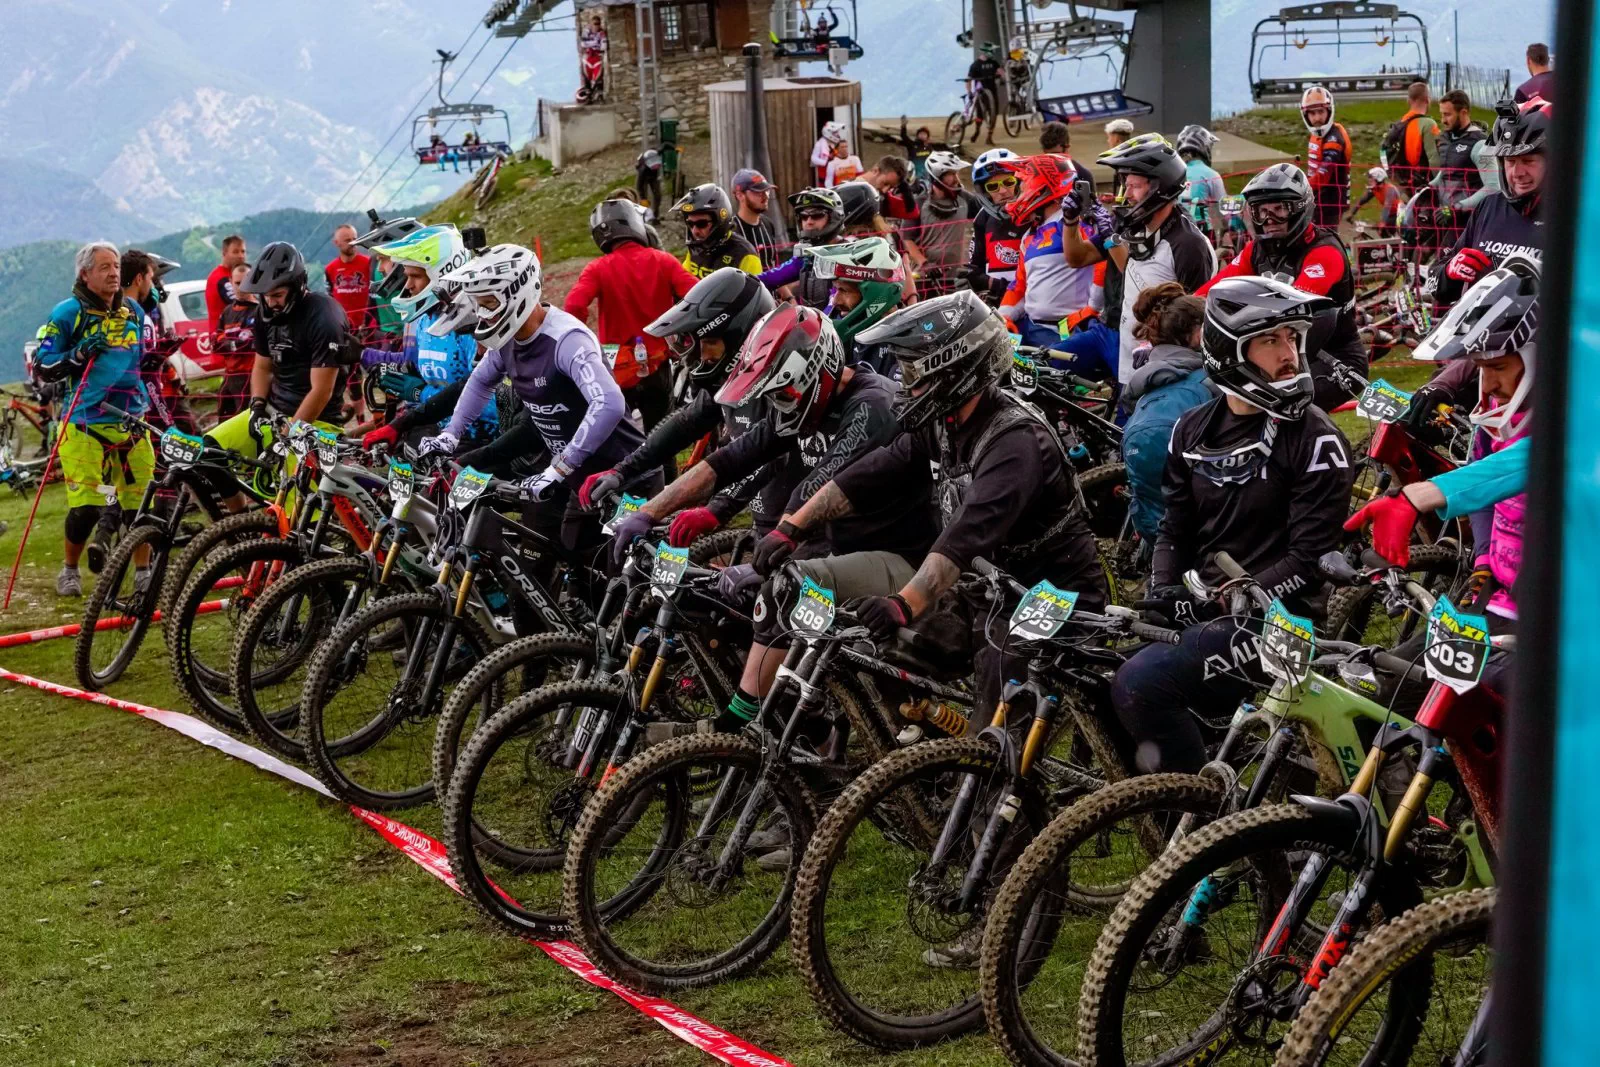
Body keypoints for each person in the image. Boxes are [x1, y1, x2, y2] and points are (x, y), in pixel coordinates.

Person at [1111, 277, 1353, 775]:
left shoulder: (1317, 437)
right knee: (1100, 672)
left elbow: (1310, 560)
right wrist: (1162, 592)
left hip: (1284, 621)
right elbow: (1173, 529)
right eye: (1271, 340)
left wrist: (1215, 599)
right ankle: (1176, 794)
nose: (1289, 353)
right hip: (1214, 609)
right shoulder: (1191, 428)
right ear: (1229, 350)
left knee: (1141, 683)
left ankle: (1201, 822)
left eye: (1293, 338)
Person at [1347, 257, 1536, 697]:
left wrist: (1421, 496)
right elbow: (1486, 494)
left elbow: (1537, 461)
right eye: (1480, 369)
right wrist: (1485, 565)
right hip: (1502, 601)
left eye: (1499, 367)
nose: (1486, 386)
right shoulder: (1496, 422)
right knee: (1397, 679)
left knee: (1475, 699)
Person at [423, 245, 655, 561]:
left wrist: (561, 465)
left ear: (518, 294)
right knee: (573, 559)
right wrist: (451, 434)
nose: (482, 315)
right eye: (479, 305)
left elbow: (610, 403)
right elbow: (479, 382)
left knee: (618, 581)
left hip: (627, 476)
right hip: (581, 479)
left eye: (489, 303)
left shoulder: (566, 340)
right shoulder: (507, 340)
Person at [577, 267, 777, 539]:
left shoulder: (779, 388)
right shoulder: (732, 381)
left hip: (809, 536)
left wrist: (715, 510)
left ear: (744, 337)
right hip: (768, 524)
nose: (701, 356)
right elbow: (686, 423)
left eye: (710, 342)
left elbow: (771, 457)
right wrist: (622, 470)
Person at [34, 242, 153, 597]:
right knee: (86, 507)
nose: (114, 272)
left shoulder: (134, 311)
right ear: (85, 274)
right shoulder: (68, 313)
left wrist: (156, 361)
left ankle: (143, 573)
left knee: (140, 502)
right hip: (83, 420)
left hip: (131, 418)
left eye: (116, 265)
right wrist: (79, 352)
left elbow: (137, 358)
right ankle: (69, 571)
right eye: (104, 267)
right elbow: (44, 366)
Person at [1199, 162, 1366, 411]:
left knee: (1274, 408)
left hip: (1335, 360)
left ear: (1300, 208)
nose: (1269, 219)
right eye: (1261, 211)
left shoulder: (1324, 251)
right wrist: (1180, 313)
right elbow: (1214, 289)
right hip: (1282, 354)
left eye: (1279, 209)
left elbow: (1294, 308)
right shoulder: (1256, 250)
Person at [203, 242, 354, 509]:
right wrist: (257, 404)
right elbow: (262, 366)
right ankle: (240, 526)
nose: (270, 302)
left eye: (278, 295)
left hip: (317, 422)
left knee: (298, 513)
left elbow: (321, 391)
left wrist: (289, 437)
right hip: (275, 410)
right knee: (209, 452)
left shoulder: (324, 315)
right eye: (265, 296)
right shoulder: (266, 310)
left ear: (297, 287)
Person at [563, 199, 697, 486]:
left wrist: (579, 348)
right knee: (662, 441)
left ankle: (620, 499)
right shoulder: (663, 261)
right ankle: (664, 501)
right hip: (657, 365)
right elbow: (697, 296)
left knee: (614, 442)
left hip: (614, 371)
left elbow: (574, 306)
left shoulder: (597, 268)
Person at [1088, 135, 1216, 390]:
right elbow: (1138, 280)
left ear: (1160, 188)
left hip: (1162, 376)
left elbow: (1197, 321)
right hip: (1129, 363)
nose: (1127, 196)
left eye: (1134, 186)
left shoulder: (1188, 244)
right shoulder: (1139, 229)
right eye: (1126, 186)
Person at [356, 224, 497, 455]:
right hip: (439, 437)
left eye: (415, 276)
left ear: (442, 273)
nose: (408, 286)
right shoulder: (424, 320)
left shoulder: (470, 323)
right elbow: (427, 381)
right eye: (406, 276)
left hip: (480, 442)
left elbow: (492, 402)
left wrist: (420, 393)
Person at [1431, 96, 1548, 307]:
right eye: (1510, 161)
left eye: (1528, 161)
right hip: (1474, 333)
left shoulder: (1578, 220)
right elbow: (1435, 283)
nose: (1518, 172)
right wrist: (1450, 272)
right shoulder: (1490, 206)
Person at [1119, 283, 1213, 543]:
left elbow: (1127, 404)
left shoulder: (1143, 375)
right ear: (1198, 335)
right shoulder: (1207, 378)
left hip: (1139, 448)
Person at [997, 154, 1115, 360]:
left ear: (1041, 186)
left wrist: (1093, 309)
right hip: (1031, 328)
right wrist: (1003, 317)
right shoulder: (1029, 236)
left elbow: (1102, 262)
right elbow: (1019, 286)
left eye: (1023, 185)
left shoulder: (1074, 221)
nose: (1020, 192)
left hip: (1067, 332)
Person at [797, 236, 909, 370]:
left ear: (876, 293)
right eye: (836, 289)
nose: (836, 300)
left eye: (844, 290)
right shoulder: (853, 329)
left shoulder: (905, 346)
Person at [906, 150, 980, 298]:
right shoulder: (919, 203)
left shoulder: (965, 199)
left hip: (955, 278)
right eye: (951, 174)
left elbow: (986, 214)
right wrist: (924, 263)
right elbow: (906, 240)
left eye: (956, 173)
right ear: (937, 177)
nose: (956, 179)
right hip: (925, 279)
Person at [966, 147, 1026, 304]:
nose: (1003, 191)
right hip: (1000, 302)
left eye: (1008, 182)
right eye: (993, 187)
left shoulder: (1037, 215)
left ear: (1019, 182)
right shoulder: (982, 219)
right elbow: (973, 273)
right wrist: (1001, 286)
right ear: (984, 192)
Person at [672, 183, 762, 278]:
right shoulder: (696, 249)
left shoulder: (745, 256)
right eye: (690, 224)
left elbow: (755, 292)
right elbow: (683, 283)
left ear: (719, 222)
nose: (695, 231)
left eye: (701, 224)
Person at [1300, 85, 1352, 228]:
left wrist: (1300, 188)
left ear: (1329, 111)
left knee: (1324, 240)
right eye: (1312, 113)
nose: (1317, 118)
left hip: (1330, 203)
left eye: (1321, 112)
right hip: (1317, 199)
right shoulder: (1318, 135)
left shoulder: (1333, 138)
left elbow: (1324, 172)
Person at [1381, 81, 1441, 194]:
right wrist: (1441, 187)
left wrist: (1391, 176)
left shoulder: (1399, 125)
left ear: (1408, 101)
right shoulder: (1428, 124)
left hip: (1403, 188)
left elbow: (1383, 152)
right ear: (1428, 100)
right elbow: (1434, 159)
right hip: (1423, 188)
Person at [215, 262, 257, 419]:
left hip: (249, 374)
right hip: (229, 375)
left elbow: (250, 344)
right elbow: (216, 344)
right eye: (237, 283)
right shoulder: (227, 312)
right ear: (231, 282)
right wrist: (235, 341)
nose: (240, 288)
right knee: (223, 418)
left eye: (245, 282)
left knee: (245, 419)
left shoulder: (259, 310)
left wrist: (230, 342)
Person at [1435, 90, 1489, 208]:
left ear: (1463, 113)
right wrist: (1429, 187)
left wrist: (1459, 207)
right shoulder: (1444, 138)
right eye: (1442, 114)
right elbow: (1447, 170)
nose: (1443, 120)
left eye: (1447, 114)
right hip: (1445, 215)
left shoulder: (1480, 143)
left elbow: (1493, 187)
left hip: (1471, 219)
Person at [1176, 125, 1227, 245]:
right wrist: (1227, 229)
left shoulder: (1174, 172)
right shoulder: (1210, 174)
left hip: (1175, 229)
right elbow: (1223, 208)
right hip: (1202, 230)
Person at [324, 224, 374, 335]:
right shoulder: (330, 269)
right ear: (336, 243)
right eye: (347, 240)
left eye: (354, 239)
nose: (352, 243)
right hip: (342, 328)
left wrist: (369, 322)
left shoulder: (369, 264)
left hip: (367, 329)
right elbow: (329, 299)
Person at [730, 169, 783, 270]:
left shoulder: (768, 224)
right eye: (758, 192)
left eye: (767, 191)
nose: (766, 196)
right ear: (740, 195)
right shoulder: (731, 230)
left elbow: (772, 266)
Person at [205, 234, 247, 334]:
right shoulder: (220, 278)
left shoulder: (235, 274)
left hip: (235, 335)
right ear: (224, 253)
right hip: (224, 338)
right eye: (235, 252)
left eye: (243, 251)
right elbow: (240, 304)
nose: (241, 256)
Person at [1345, 166, 1405, 234]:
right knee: (1382, 231)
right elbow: (1362, 201)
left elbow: (1387, 207)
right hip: (1391, 215)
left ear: (1378, 179)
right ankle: (1389, 243)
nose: (1369, 180)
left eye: (1371, 178)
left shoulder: (1390, 189)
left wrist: (1382, 222)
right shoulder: (1375, 189)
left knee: (1382, 229)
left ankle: (1393, 243)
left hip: (1400, 214)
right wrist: (1352, 213)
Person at [966, 42, 1005, 146]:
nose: (993, 53)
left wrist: (1002, 77)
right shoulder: (975, 65)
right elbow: (969, 79)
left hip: (992, 91)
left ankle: (989, 136)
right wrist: (969, 92)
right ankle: (977, 130)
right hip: (981, 93)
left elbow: (1001, 72)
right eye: (991, 51)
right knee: (979, 115)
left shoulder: (993, 63)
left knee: (993, 114)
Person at [812, 121, 846, 185]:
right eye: (835, 133)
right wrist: (825, 160)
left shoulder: (832, 144)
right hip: (823, 176)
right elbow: (813, 159)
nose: (838, 134)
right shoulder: (820, 144)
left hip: (834, 175)